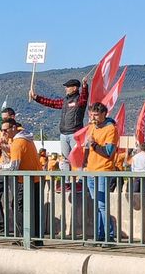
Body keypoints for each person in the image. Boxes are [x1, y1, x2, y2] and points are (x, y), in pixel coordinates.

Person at [0, 118, 42, 245]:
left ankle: (25, 237)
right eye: (2, 130)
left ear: (13, 128)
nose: (3, 133)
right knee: (34, 209)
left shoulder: (17, 143)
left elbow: (13, 167)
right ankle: (36, 239)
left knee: (17, 208)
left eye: (5, 130)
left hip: (24, 180)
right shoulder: (26, 139)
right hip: (35, 178)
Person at [30, 77, 89, 171]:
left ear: (75, 88)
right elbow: (51, 103)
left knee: (79, 158)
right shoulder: (65, 101)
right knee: (65, 159)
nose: (66, 88)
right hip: (63, 134)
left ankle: (81, 181)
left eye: (68, 87)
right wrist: (37, 98)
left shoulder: (80, 100)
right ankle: (66, 182)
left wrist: (85, 86)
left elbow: (85, 97)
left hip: (75, 133)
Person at [81, 103, 117, 242]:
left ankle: (109, 235)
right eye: (91, 114)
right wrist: (84, 164)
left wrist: (94, 143)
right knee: (96, 203)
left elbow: (108, 152)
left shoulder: (111, 129)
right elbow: (87, 148)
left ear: (103, 114)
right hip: (90, 170)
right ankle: (99, 234)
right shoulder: (91, 127)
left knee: (102, 205)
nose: (93, 117)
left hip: (103, 169)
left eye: (95, 114)